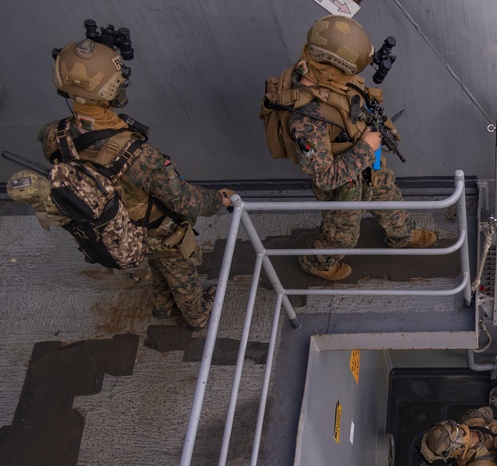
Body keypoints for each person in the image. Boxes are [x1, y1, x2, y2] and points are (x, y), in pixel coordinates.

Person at [36, 38, 234, 329]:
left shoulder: (55, 133)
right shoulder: (137, 155)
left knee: (156, 266)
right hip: (156, 230)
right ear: (109, 90)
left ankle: (162, 306)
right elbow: (185, 201)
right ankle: (198, 315)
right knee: (181, 270)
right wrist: (222, 199)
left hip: (119, 229)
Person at [264, 15, 436, 282]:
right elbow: (324, 176)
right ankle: (318, 263)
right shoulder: (307, 117)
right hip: (344, 181)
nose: (353, 78)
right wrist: (367, 147)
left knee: (388, 195)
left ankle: (401, 234)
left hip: (367, 157)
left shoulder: (321, 71)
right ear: (332, 67)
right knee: (342, 234)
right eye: (348, 73)